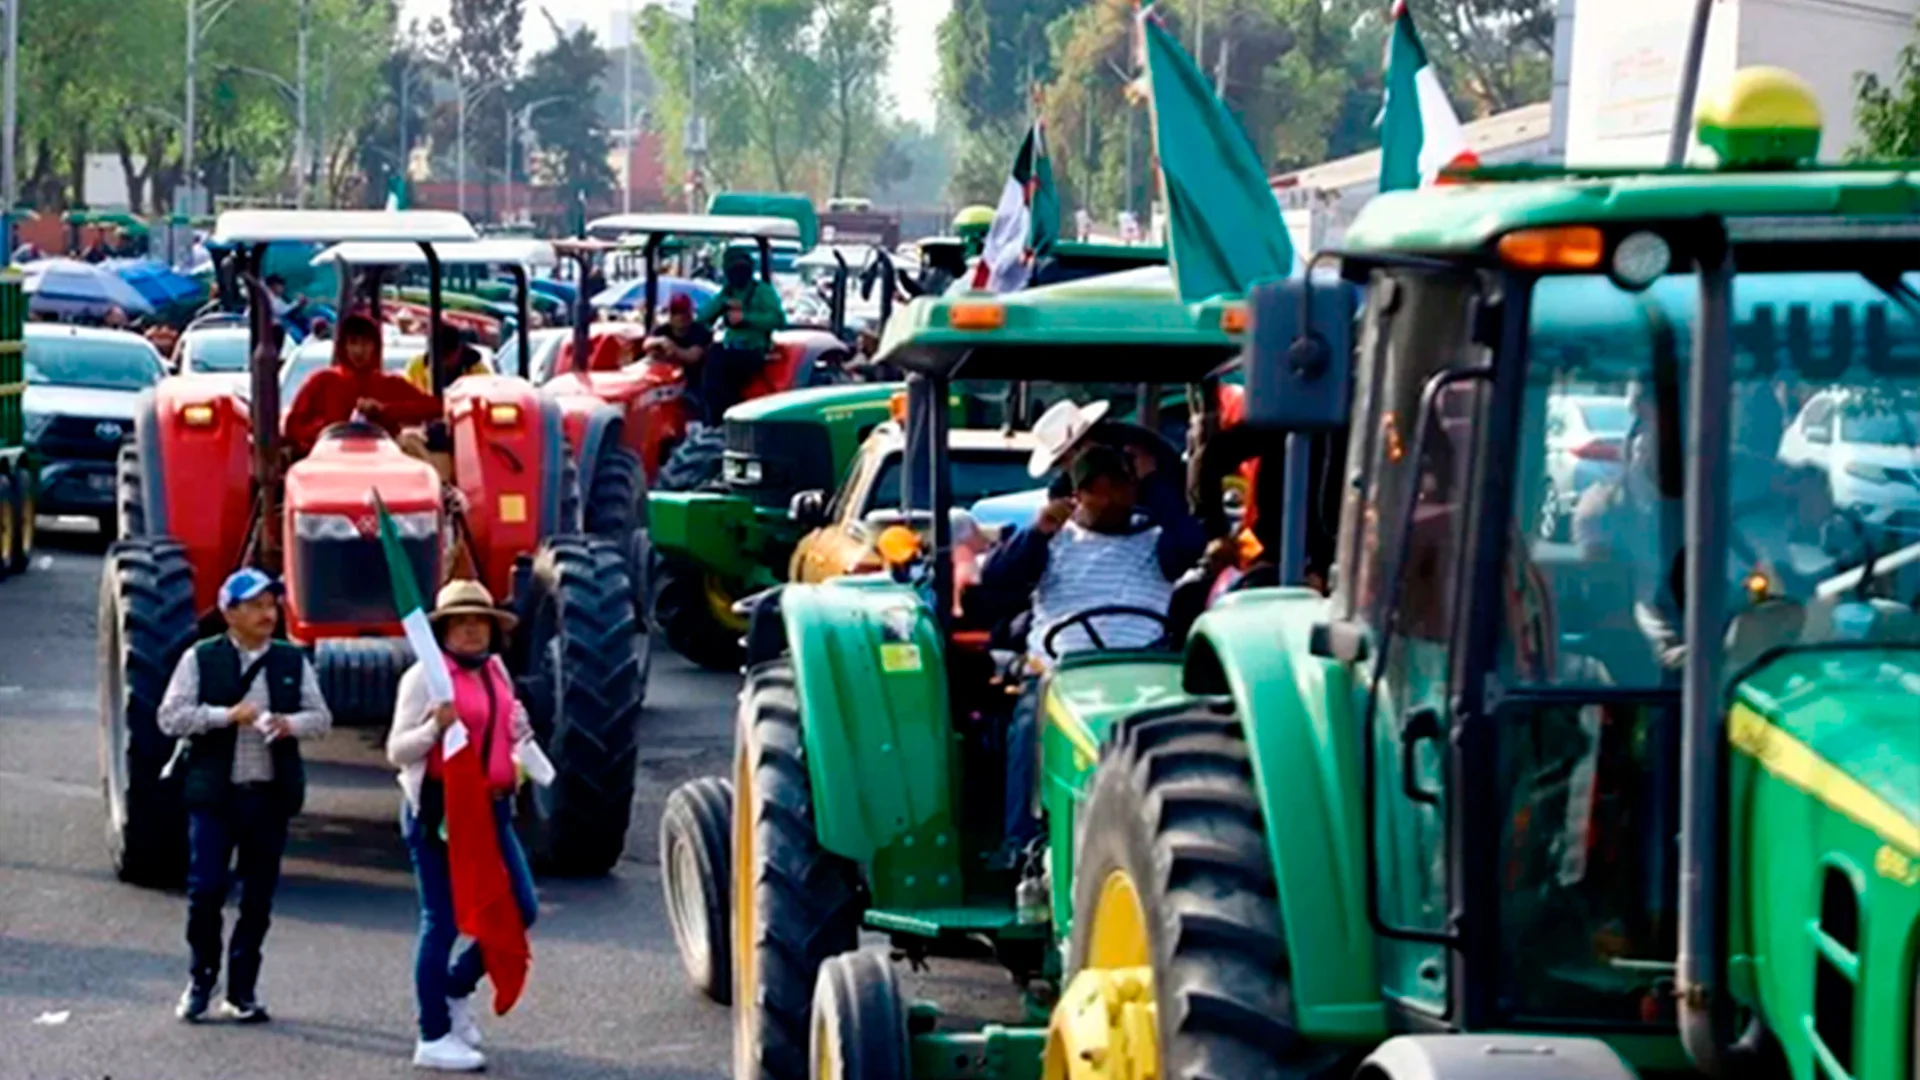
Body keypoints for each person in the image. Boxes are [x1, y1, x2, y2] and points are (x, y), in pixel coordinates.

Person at [980, 446, 1203, 860]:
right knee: (1029, 725)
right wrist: (1037, 532)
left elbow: (1191, 543)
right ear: (1078, 494)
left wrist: (1157, 485)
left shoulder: (1157, 543)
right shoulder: (1054, 541)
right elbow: (994, 576)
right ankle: (1023, 842)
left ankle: (1176, 837)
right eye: (1096, 489)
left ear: (1133, 489)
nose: (1108, 499)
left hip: (1142, 667)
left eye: (1118, 486)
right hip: (1060, 668)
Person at [157, 569, 332, 1024]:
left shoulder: (291, 660)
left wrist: (289, 725)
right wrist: (224, 716)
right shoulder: (200, 658)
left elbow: (321, 718)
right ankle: (201, 978)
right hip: (214, 796)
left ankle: (242, 989)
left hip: (268, 797)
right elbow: (170, 717)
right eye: (255, 606)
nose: (267, 615)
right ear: (229, 613)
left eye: (271, 606)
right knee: (205, 891)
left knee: (258, 898)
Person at [387, 581, 540, 1072]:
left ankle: (456, 988)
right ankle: (432, 1035)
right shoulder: (424, 678)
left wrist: (520, 737)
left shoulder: (495, 669)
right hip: (441, 811)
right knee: (443, 921)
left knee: (521, 906)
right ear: (444, 630)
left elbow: (503, 732)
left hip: (493, 810)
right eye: (461, 622)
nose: (472, 630)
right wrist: (434, 726)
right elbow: (397, 751)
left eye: (481, 621)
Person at [283, 313, 442, 454]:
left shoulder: (390, 384)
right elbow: (292, 427)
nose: (359, 350)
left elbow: (434, 407)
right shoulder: (321, 381)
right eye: (353, 343)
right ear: (343, 346)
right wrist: (323, 427)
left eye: (365, 343)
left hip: (382, 464)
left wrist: (384, 409)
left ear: (375, 346)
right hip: (327, 463)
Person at [694, 249, 786, 425]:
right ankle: (707, 415)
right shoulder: (728, 292)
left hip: (753, 350)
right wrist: (721, 305)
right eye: (734, 270)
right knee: (710, 359)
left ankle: (721, 420)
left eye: (741, 269)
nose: (738, 274)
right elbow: (702, 318)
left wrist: (746, 317)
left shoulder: (762, 291)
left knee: (720, 364)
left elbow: (778, 319)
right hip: (729, 348)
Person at [642, 292, 712, 382]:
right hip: (663, 379)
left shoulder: (700, 332)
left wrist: (673, 348)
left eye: (684, 312)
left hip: (691, 382)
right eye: (675, 312)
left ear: (690, 314)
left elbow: (692, 357)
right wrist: (661, 341)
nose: (680, 317)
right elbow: (646, 344)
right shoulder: (663, 330)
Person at [405, 322, 493, 394]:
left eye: (447, 355)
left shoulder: (479, 373)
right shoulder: (416, 367)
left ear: (459, 350)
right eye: (438, 356)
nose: (443, 361)